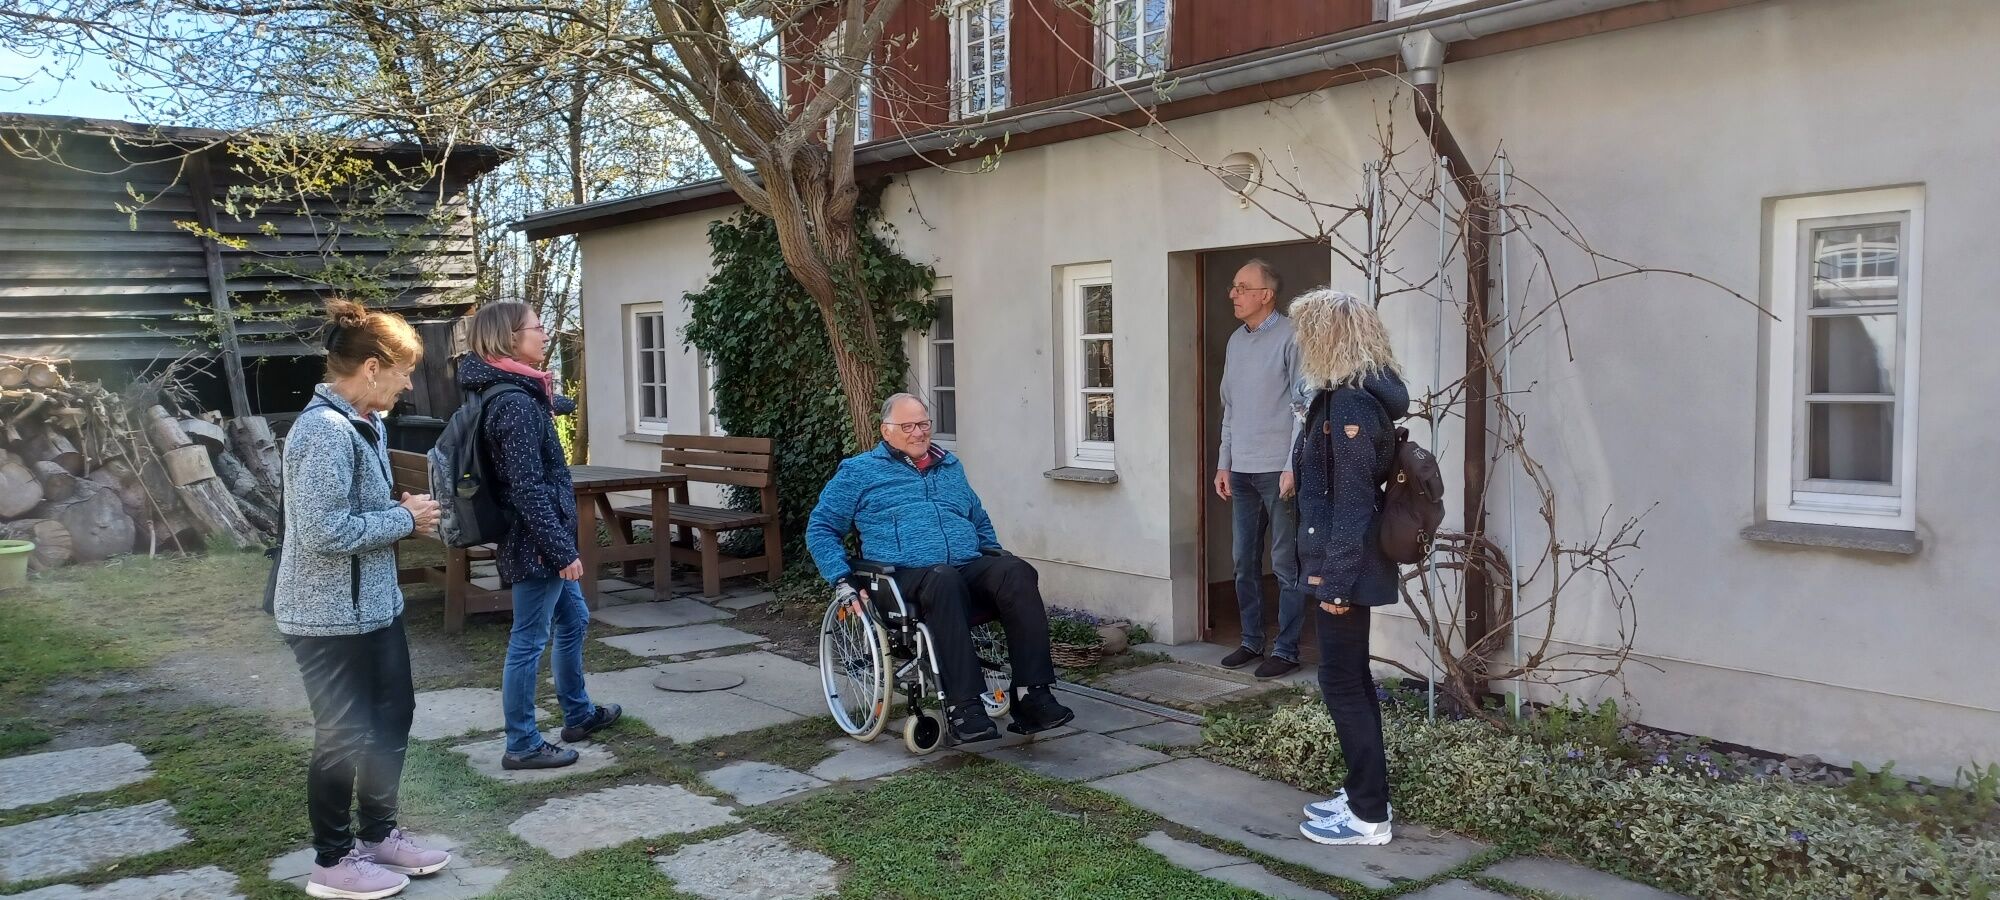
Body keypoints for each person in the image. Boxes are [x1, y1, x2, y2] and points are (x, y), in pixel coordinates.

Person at [276, 299, 450, 899]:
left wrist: (397, 512)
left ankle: (379, 837)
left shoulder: (364, 423)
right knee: (343, 735)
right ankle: (331, 862)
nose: (409, 385)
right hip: (325, 617)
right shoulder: (322, 432)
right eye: (404, 372)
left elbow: (355, 513)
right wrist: (404, 519)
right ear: (373, 368)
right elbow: (321, 531)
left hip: (375, 608)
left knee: (392, 719)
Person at [805, 393, 1076, 744]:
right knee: (944, 580)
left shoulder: (950, 466)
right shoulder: (859, 472)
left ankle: (1032, 695)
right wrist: (842, 578)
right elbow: (821, 528)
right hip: (902, 578)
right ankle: (964, 706)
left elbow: (978, 518)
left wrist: (994, 555)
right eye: (907, 426)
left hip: (964, 567)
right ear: (886, 431)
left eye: (923, 424)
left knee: (1016, 572)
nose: (918, 432)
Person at [459, 301, 620, 771]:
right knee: (528, 640)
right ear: (510, 337)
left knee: (574, 619)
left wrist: (558, 400)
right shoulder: (514, 404)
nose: (545, 333)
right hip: (535, 541)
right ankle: (523, 743)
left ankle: (578, 714)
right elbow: (527, 488)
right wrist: (561, 551)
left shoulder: (514, 392)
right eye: (537, 327)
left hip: (539, 536)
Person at [1287, 288, 1411, 848]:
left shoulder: (1352, 405)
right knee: (1352, 680)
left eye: (1307, 332)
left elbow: (1354, 502)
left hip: (1346, 567)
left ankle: (1368, 817)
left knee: (1342, 683)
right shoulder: (1343, 398)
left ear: (1327, 337)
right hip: (1344, 563)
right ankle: (1366, 795)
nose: (1301, 342)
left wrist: (1334, 585)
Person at [1215, 259, 1309, 680]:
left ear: (1266, 295)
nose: (1233, 294)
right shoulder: (1236, 342)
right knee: (1243, 562)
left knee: (1285, 564)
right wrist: (1224, 463)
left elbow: (1303, 408)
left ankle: (1286, 650)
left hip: (1278, 471)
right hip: (1242, 471)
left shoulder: (1292, 336)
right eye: (1233, 287)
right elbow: (1230, 409)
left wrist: (1292, 466)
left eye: (1242, 287)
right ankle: (1252, 641)